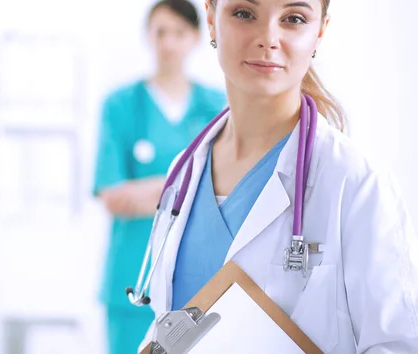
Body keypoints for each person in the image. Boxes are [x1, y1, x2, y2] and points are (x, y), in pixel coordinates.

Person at [137, 0, 418, 352]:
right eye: (244, 13)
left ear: (319, 32)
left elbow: (396, 344)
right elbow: (171, 325)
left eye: (294, 19)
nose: (268, 38)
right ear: (211, 19)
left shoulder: (356, 183)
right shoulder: (184, 170)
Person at [92, 0, 228, 353]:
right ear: (147, 37)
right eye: (161, 32)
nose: (169, 43)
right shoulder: (121, 105)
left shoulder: (219, 107)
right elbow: (115, 197)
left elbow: (231, 187)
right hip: (132, 283)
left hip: (200, 284)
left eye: (179, 33)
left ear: (198, 37)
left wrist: (152, 190)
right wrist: (189, 181)